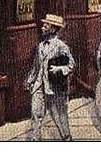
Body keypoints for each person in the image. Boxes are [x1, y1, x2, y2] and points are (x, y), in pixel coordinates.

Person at [24, 13, 76, 141]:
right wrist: (30, 80)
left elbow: (71, 65)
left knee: (59, 114)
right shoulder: (40, 46)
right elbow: (36, 66)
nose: (42, 27)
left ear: (53, 29)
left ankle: (66, 137)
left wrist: (59, 69)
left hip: (55, 86)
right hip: (39, 85)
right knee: (36, 113)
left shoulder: (61, 46)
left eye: (45, 25)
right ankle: (36, 140)